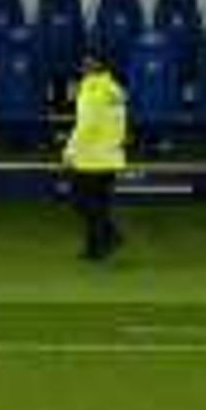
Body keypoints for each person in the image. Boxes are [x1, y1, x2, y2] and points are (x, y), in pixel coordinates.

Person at [63, 42, 128, 261]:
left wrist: (70, 149)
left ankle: (111, 235)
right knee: (100, 204)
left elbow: (86, 124)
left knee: (81, 202)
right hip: (111, 156)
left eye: (87, 62)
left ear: (94, 64)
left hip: (91, 157)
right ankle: (95, 248)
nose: (83, 65)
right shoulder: (114, 88)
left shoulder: (91, 89)